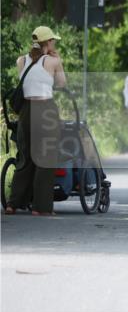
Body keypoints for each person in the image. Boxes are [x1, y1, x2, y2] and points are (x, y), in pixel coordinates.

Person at [5, 26, 67, 216]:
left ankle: (13, 204)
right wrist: (59, 62)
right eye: (52, 41)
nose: (54, 43)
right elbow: (62, 84)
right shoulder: (52, 61)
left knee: (25, 157)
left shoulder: (21, 60)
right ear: (47, 42)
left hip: (25, 111)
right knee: (46, 158)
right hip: (45, 110)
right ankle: (41, 207)